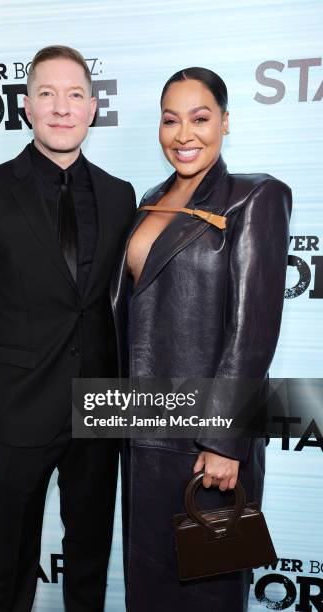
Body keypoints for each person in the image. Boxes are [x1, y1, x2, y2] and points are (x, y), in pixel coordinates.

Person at [0, 45, 135, 612]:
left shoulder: (122, 196)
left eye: (75, 94)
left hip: (102, 409)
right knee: (9, 568)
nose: (61, 107)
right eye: (46, 94)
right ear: (26, 106)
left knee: (91, 560)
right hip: (16, 413)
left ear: (93, 108)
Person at [110, 67, 291, 611]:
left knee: (204, 592)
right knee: (149, 589)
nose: (184, 134)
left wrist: (223, 440)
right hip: (142, 430)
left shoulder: (254, 197)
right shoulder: (149, 198)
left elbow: (252, 329)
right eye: (171, 120)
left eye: (200, 117)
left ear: (226, 122)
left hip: (204, 446)